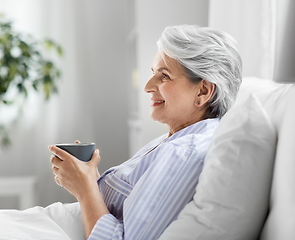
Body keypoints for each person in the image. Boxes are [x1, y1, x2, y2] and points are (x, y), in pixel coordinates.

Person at [49, 25, 242, 240]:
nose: (148, 86)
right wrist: (88, 177)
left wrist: (85, 190)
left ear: (203, 90)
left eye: (165, 76)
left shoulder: (183, 153)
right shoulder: (178, 137)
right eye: (153, 73)